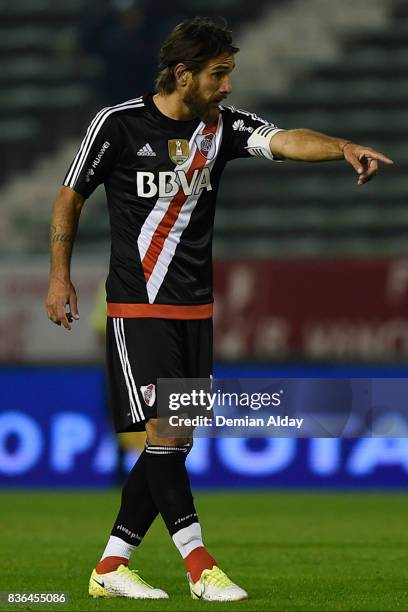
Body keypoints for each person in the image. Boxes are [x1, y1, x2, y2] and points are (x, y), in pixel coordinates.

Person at [45, 16, 393, 603]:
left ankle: (110, 566)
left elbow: (284, 139)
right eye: (219, 75)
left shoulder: (222, 128)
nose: (228, 87)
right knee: (163, 433)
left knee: (172, 444)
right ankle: (201, 567)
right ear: (184, 75)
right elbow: (70, 195)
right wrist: (59, 278)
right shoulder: (119, 124)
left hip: (195, 312)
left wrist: (341, 148)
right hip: (138, 306)